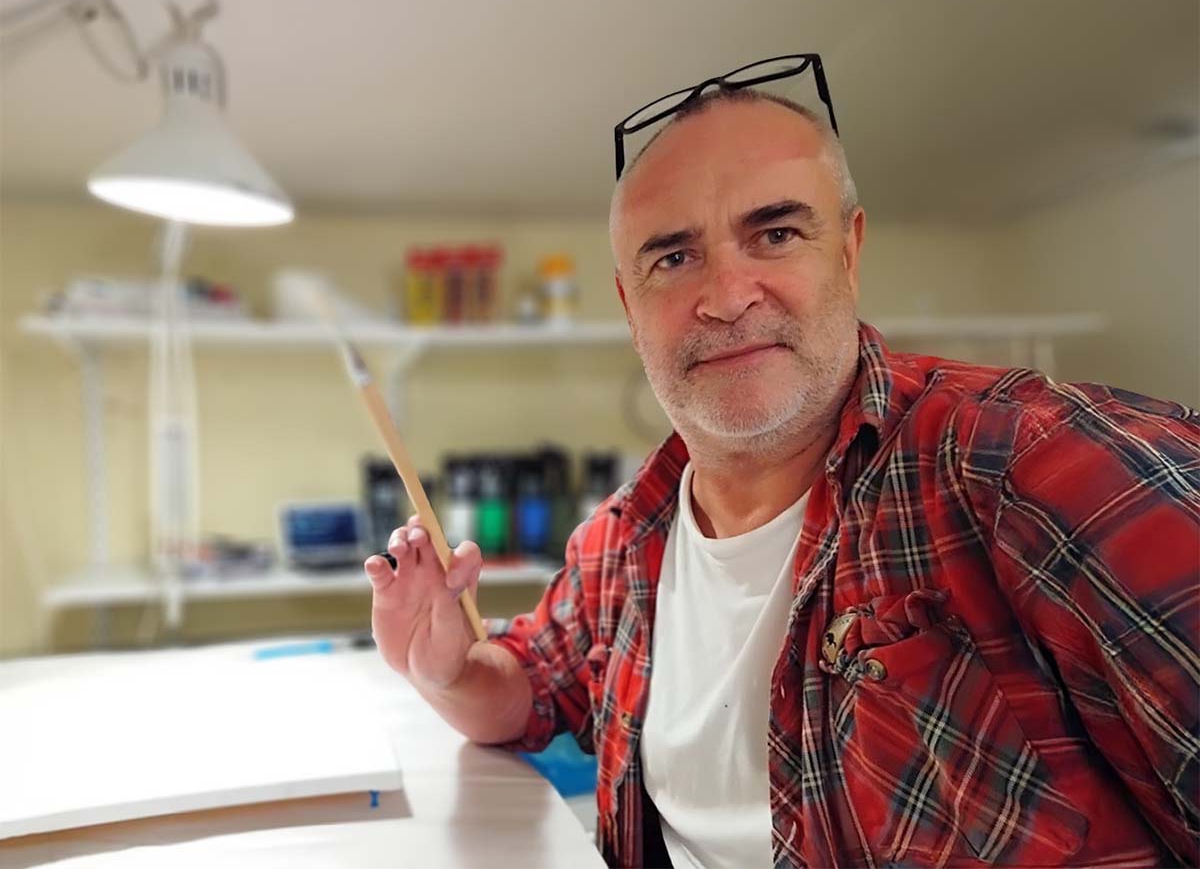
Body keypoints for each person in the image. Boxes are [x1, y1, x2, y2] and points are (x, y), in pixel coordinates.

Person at [365, 81, 1199, 869]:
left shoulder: (1028, 469)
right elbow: (522, 694)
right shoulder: (623, 542)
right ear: (630, 307)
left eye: (775, 233)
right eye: (674, 257)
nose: (727, 296)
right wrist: (446, 668)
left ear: (851, 251)